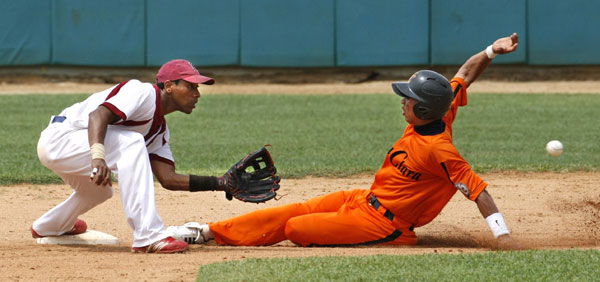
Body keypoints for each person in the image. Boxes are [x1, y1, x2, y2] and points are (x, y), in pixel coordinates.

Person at [167, 33, 522, 250]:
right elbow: (463, 75)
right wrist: (492, 50)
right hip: (362, 200)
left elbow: (478, 191)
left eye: (408, 98)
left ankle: (217, 234)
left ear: (426, 108)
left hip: (387, 226)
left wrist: (502, 237)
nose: (402, 100)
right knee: (294, 211)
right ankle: (206, 232)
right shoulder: (441, 110)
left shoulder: (440, 150)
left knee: (295, 229)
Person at [32, 59, 239, 253]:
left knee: (100, 191)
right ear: (168, 86)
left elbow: (168, 178)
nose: (197, 94)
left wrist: (221, 183)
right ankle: (149, 235)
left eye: (197, 88)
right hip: (61, 139)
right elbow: (98, 115)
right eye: (190, 86)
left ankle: (50, 225)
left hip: (73, 149)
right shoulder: (142, 92)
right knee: (132, 142)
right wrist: (98, 157)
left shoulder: (159, 131)